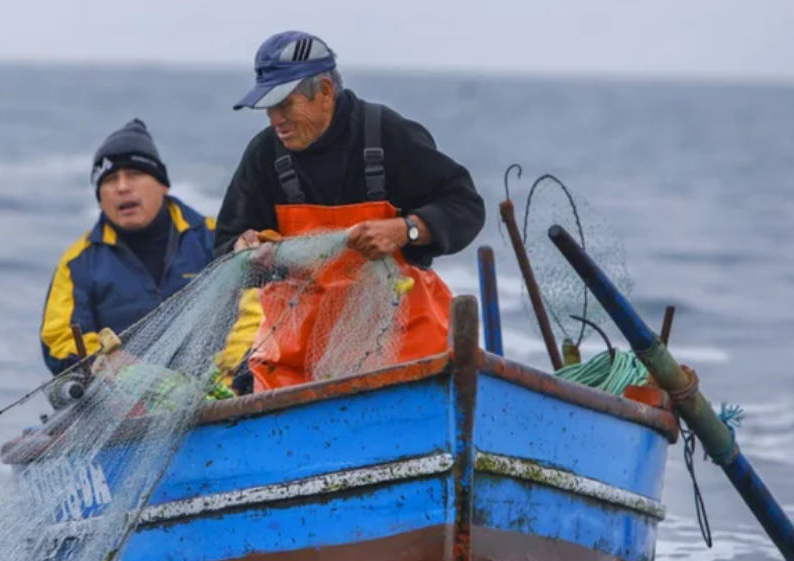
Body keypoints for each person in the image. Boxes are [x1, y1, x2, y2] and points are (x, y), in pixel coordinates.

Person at [214, 31, 486, 392]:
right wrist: (242, 249)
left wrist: (407, 230)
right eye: (268, 107)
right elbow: (224, 247)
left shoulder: (386, 135)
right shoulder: (264, 155)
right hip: (296, 365)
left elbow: (465, 204)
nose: (275, 119)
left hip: (407, 354)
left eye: (285, 104)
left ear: (325, 92)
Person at [41, 119, 216, 376]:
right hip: (121, 400)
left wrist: (228, 376)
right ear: (100, 197)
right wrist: (106, 362)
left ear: (163, 184)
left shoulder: (215, 238)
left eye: (134, 174)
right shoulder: (77, 263)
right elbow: (58, 338)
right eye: (110, 179)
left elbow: (253, 314)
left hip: (220, 391)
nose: (123, 187)